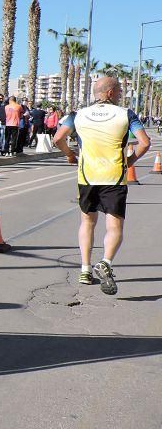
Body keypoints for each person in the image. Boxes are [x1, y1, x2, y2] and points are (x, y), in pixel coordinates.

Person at [53, 76, 150, 295]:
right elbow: (145, 143)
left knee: (87, 222)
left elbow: (58, 138)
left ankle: (85, 270)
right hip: (114, 177)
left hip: (87, 177)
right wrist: (130, 161)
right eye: (118, 92)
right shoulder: (126, 114)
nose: (120, 96)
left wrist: (70, 155)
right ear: (109, 93)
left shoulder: (77, 115)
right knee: (114, 226)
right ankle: (105, 263)